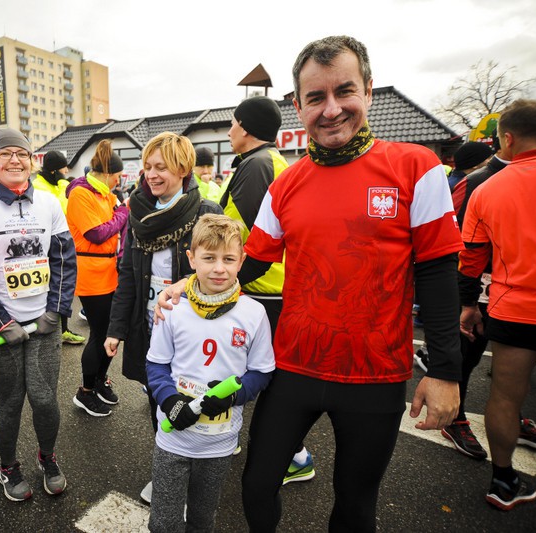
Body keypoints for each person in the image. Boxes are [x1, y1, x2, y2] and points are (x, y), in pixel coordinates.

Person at [159, 35, 463, 532]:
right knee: (257, 485)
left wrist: (447, 371)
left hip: (375, 375)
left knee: (355, 504)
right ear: (298, 105)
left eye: (344, 91)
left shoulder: (416, 166)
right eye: (316, 98)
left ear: (368, 89)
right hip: (294, 367)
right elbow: (251, 261)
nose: (332, 109)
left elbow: (436, 270)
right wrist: (187, 287)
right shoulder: (287, 183)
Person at [0, 128, 76, 500]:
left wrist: (55, 313)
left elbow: (63, 260)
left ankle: (48, 457)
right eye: (5, 153)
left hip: (43, 323)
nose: (14, 160)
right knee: (10, 402)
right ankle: (8, 467)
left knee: (44, 399)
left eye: (21, 153)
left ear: (32, 160)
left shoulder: (49, 204)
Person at [105, 131, 223, 503]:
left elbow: (227, 270)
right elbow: (127, 276)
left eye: (161, 167)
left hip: (194, 331)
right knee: (160, 405)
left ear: (184, 169)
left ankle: (193, 479)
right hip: (151, 329)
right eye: (148, 167)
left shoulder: (206, 213)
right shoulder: (138, 214)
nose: (152, 175)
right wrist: (116, 329)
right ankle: (169, 473)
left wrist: (189, 282)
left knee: (193, 405)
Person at [458, 99, 536, 511]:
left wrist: (468, 305)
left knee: (505, 396)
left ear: (507, 137)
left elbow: (471, 258)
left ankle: (503, 480)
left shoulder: (487, 189)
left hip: (513, 306)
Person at [147, 214, 275, 532]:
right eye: (209, 258)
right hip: (173, 440)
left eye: (228, 259)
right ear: (191, 259)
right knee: (163, 523)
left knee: (203, 521)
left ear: (241, 260)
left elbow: (261, 372)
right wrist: (169, 401)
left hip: (219, 443)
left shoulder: (254, 313)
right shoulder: (172, 307)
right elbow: (156, 365)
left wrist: (234, 394)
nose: (219, 268)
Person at [222, 94, 315, 480]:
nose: (229, 131)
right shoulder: (270, 161)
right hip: (272, 286)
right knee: (261, 370)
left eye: (232, 123)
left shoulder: (258, 165)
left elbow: (241, 234)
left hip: (261, 288)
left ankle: (293, 455)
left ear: (244, 127)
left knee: (265, 372)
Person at [67, 140, 129, 417]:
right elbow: (97, 233)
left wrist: (120, 211)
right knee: (99, 334)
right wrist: (124, 212)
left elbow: (114, 222)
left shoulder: (105, 194)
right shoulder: (81, 194)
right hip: (91, 272)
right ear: (107, 174)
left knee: (111, 334)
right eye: (117, 176)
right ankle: (85, 391)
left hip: (110, 271)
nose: (119, 181)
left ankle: (99, 380)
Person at [33, 150, 86, 345]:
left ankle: (63, 330)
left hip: (65, 243)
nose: (66, 171)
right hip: (45, 245)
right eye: (63, 168)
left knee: (63, 285)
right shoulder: (38, 187)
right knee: (48, 287)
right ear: (54, 170)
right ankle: (47, 327)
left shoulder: (62, 183)